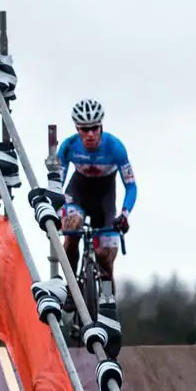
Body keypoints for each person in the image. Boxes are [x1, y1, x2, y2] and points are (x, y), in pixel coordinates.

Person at [57, 98, 137, 302]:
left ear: (101, 126)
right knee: (71, 228)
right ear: (77, 128)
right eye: (84, 129)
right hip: (79, 191)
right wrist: (55, 208)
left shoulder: (115, 147)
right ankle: (71, 288)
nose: (90, 134)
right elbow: (56, 182)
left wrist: (125, 214)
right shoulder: (68, 147)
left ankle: (109, 303)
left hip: (105, 197)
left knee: (105, 256)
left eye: (94, 128)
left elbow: (131, 186)